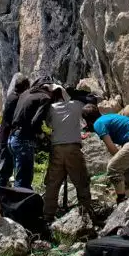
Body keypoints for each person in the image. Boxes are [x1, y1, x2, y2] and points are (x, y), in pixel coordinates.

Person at [82, 105, 129, 204]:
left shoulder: (98, 123)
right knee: (126, 179)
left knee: (113, 168)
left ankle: (121, 200)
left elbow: (110, 146)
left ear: (87, 120)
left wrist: (117, 163)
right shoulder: (108, 117)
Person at [43, 88, 93, 224]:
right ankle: (86, 212)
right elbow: (88, 108)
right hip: (73, 148)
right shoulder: (77, 105)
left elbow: (49, 124)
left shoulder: (51, 108)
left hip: (57, 148)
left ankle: (48, 216)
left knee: (53, 183)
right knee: (81, 180)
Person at [8, 78, 54, 189]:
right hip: (23, 139)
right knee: (24, 179)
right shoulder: (45, 98)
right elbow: (35, 121)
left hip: (12, 137)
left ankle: (18, 202)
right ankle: (21, 205)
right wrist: (42, 135)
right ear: (48, 88)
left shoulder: (25, 93)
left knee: (19, 176)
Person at [0, 73, 30, 186]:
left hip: (5, 136)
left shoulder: (12, 96)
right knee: (5, 170)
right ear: (25, 87)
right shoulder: (17, 99)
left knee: (6, 169)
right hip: (8, 137)